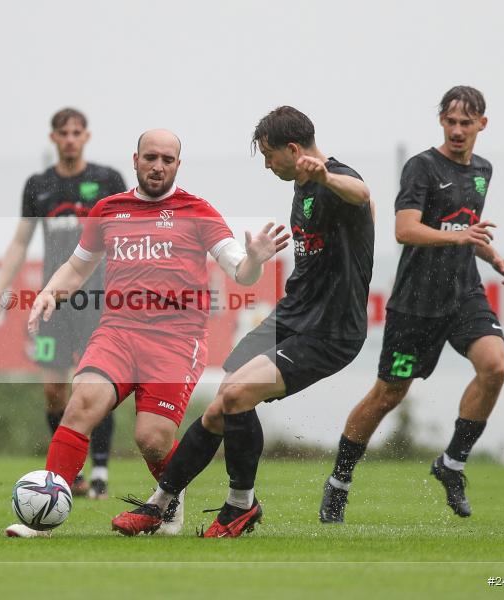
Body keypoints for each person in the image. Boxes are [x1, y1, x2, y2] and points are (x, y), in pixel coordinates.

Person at [5, 128, 290, 537]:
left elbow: (240, 271)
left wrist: (256, 261)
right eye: (151, 157)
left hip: (176, 341)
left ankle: (168, 501)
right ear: (135, 159)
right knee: (80, 404)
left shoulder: (197, 210)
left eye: (167, 160)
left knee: (152, 439)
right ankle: (44, 521)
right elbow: (78, 266)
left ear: (177, 165)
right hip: (117, 332)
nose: (158, 166)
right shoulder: (108, 209)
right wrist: (50, 292)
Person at [113, 107, 374, 537]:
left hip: (330, 330)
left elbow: (361, 195)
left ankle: (235, 507)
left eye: (270, 156)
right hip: (292, 315)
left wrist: (327, 178)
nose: (268, 165)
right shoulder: (302, 186)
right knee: (223, 401)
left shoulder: (334, 179)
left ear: (293, 149)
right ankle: (162, 504)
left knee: (235, 395)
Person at [319, 86, 504, 523]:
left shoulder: (483, 170)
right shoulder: (423, 168)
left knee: (495, 365)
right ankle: (339, 482)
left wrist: (493, 256)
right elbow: (405, 230)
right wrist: (462, 237)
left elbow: (466, 230)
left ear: (482, 124)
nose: (458, 130)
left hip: (463, 292)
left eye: (467, 123)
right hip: (416, 302)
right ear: (441, 122)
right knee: (388, 394)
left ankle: (452, 464)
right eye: (451, 121)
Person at [0, 108, 126, 499]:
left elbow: (127, 233)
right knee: (54, 390)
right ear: (53, 138)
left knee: (98, 385)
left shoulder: (107, 180)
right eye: (63, 133)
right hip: (54, 304)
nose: (69, 139)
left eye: (76, 132)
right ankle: (72, 474)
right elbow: (19, 241)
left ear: (86, 137)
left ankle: (99, 471)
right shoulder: (38, 185)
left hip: (98, 300)